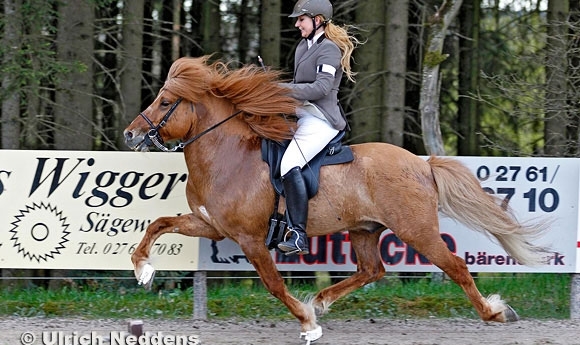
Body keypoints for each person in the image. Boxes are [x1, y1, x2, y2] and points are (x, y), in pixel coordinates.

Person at [277, 0, 359, 255]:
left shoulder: (329, 50)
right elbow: (298, 85)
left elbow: (321, 88)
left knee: (289, 164)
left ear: (318, 20)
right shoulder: (303, 46)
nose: (296, 24)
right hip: (301, 114)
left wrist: (282, 89)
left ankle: (299, 235)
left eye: (301, 19)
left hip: (321, 119)